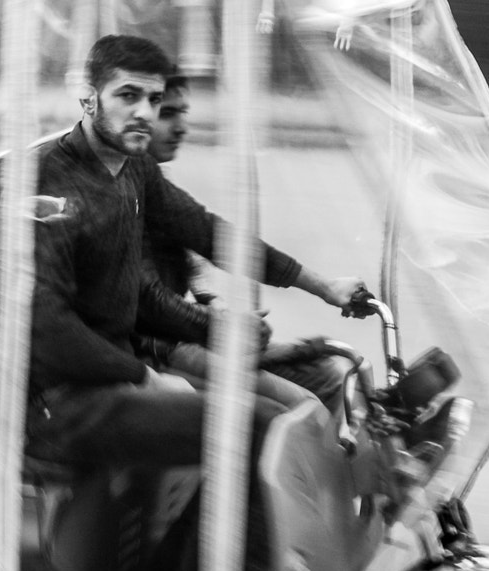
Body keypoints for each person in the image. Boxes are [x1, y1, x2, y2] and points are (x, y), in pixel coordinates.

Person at [0, 35, 360, 571]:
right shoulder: (47, 188)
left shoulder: (133, 168)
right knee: (253, 431)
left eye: (154, 98)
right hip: (44, 399)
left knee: (277, 422)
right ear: (88, 99)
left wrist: (316, 284)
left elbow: (203, 235)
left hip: (94, 382)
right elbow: (46, 328)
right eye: (127, 96)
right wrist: (142, 376)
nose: (143, 112)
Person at [139, 72, 352, 408]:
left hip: (179, 334)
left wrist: (325, 287)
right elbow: (150, 299)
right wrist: (223, 326)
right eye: (167, 114)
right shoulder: (123, 184)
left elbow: (211, 237)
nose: (181, 128)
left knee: (323, 366)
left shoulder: (147, 178)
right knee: (305, 393)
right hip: (156, 347)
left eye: (183, 113)